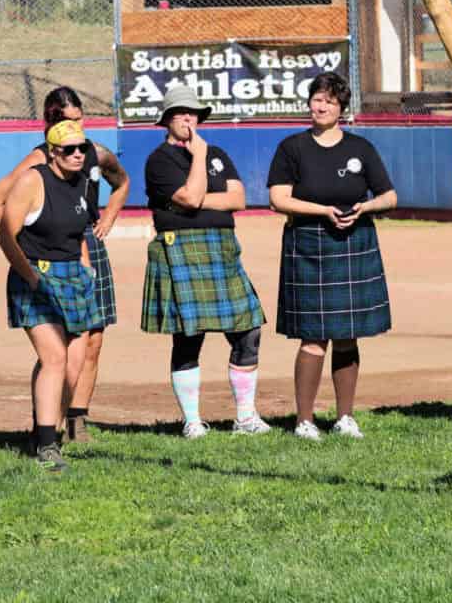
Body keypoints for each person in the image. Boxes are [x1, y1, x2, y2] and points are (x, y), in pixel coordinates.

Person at [0, 86, 129, 442]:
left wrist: (108, 215)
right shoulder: (38, 162)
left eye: (81, 120)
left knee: (93, 340)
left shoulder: (94, 152)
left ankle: (76, 421)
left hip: (83, 244)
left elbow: (121, 182)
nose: (78, 131)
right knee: (57, 349)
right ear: (51, 125)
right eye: (68, 122)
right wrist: (30, 247)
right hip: (48, 253)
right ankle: (47, 428)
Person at [268, 73, 397, 441]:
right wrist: (322, 210)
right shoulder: (292, 148)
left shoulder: (360, 148)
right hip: (309, 244)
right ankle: (304, 421)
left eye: (328, 101)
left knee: (347, 336)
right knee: (313, 337)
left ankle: (344, 417)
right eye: (316, 99)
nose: (320, 106)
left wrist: (365, 207)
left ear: (342, 108)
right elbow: (279, 199)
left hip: (354, 241)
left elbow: (390, 196)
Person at [142, 85, 269, 439]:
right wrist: (198, 159)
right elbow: (191, 194)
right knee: (188, 337)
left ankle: (245, 417)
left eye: (194, 112)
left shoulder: (219, 154)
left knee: (248, 330)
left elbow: (239, 199)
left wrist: (197, 201)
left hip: (222, 248)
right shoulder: (159, 161)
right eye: (181, 112)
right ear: (167, 119)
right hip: (182, 247)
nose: (189, 118)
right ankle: (192, 421)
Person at [0, 120, 102, 474]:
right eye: (69, 150)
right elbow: (6, 236)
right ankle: (46, 446)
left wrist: (86, 268)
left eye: (82, 149)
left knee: (73, 367)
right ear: (52, 152)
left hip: (72, 276)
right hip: (36, 276)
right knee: (54, 357)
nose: (77, 155)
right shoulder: (33, 180)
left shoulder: (83, 182)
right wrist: (30, 277)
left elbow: (79, 234)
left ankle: (45, 430)